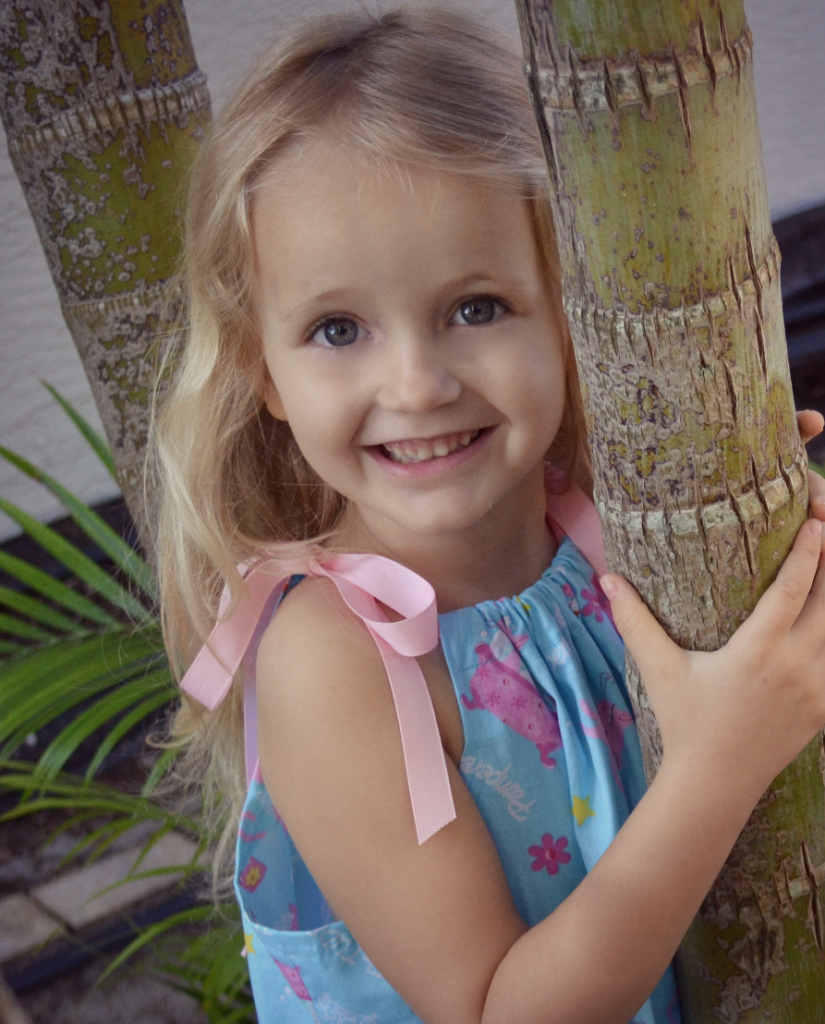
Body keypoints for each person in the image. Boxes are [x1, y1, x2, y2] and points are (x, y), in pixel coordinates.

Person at [153, 7, 825, 1024]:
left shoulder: (602, 534)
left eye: (475, 307)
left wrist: (779, 528)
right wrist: (722, 760)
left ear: (569, 304)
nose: (416, 384)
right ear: (265, 372)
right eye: (339, 328)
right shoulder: (333, 659)